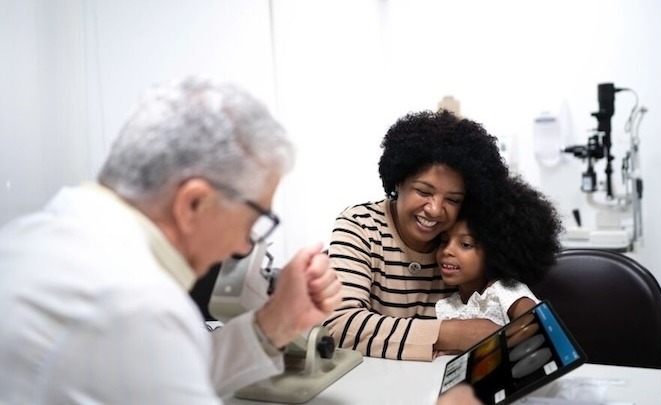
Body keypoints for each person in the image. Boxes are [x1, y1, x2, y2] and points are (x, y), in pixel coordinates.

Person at [0, 77, 341, 404]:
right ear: (193, 203)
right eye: (253, 221)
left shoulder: (24, 239)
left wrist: (278, 321)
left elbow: (158, 378)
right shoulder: (137, 302)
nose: (242, 247)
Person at [322, 109, 510, 361]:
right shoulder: (359, 226)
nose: (434, 210)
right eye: (423, 192)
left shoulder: (463, 243)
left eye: (452, 199)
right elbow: (338, 326)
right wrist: (449, 333)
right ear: (398, 182)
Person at [435, 175, 563, 324]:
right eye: (444, 241)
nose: (447, 251)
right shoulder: (447, 306)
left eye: (465, 244)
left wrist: (497, 341)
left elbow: (534, 321)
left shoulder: (503, 291)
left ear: (495, 252)